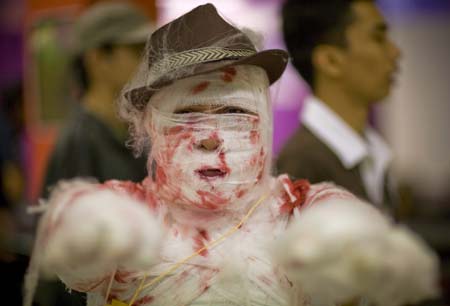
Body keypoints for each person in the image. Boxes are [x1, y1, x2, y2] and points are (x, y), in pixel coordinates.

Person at [25, 4, 437, 306]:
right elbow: (84, 225)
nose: (209, 138)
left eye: (234, 114)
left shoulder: (295, 209)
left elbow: (337, 222)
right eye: (186, 115)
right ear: (152, 126)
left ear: (263, 120)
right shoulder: (132, 211)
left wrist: (352, 241)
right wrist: (88, 233)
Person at [35, 2, 154, 306]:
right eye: (136, 51)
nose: (147, 63)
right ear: (98, 58)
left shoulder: (134, 134)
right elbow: (63, 269)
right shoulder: (79, 143)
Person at [277, 0, 402, 216]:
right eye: (378, 37)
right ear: (330, 60)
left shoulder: (372, 153)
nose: (395, 52)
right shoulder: (301, 165)